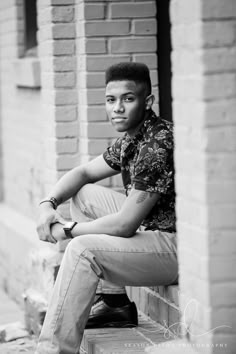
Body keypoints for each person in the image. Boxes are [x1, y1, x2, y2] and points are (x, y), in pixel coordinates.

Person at [35, 62, 178, 354]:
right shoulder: (133, 137)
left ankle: (51, 351)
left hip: (175, 248)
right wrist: (47, 205)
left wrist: (67, 230)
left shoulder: (157, 145)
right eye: (111, 100)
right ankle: (115, 303)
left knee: (82, 250)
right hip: (150, 229)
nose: (118, 108)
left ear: (147, 101)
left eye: (128, 98)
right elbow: (83, 173)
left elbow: (124, 225)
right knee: (84, 195)